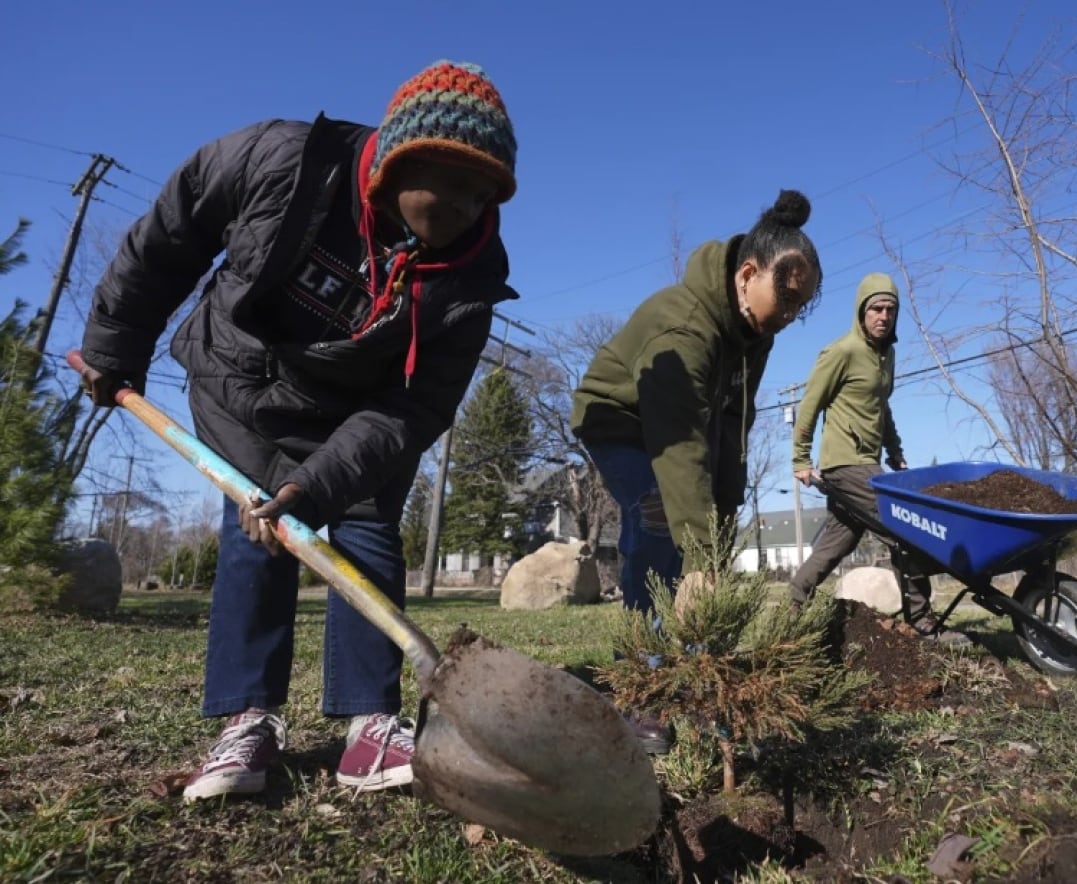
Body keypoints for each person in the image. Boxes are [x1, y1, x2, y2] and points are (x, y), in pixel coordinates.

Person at [77, 60, 520, 800]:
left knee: (370, 524)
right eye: (451, 181)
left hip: (363, 412)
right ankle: (247, 719)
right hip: (243, 380)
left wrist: (319, 484)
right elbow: (171, 235)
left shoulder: (472, 272)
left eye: (485, 193)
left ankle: (371, 722)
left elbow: (418, 408)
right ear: (401, 157)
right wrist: (114, 344)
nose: (468, 207)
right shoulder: (281, 161)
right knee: (258, 526)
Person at [570, 190, 823, 748]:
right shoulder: (684, 328)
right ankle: (643, 685)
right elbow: (678, 446)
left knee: (704, 534)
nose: (788, 316)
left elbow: (733, 422)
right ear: (747, 274)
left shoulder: (754, 331)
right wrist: (701, 557)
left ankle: (696, 676)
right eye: (783, 299)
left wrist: (721, 522)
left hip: (682, 424)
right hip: (618, 417)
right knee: (660, 516)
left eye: (798, 307)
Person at [788, 272, 969, 644]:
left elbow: (881, 409)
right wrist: (800, 459)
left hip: (868, 462)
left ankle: (792, 613)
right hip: (845, 463)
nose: (883, 316)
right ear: (861, 311)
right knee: (906, 529)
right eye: (876, 309)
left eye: (890, 309)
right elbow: (809, 405)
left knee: (837, 543)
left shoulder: (887, 356)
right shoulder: (842, 352)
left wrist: (896, 452)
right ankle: (922, 622)